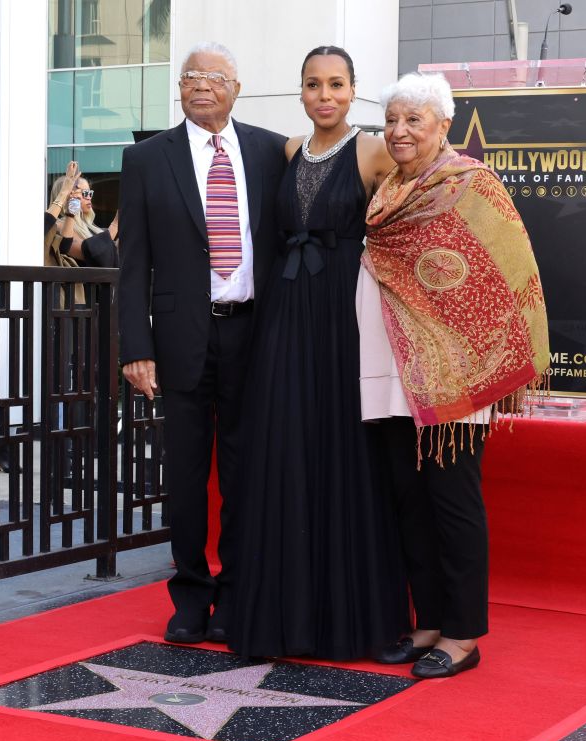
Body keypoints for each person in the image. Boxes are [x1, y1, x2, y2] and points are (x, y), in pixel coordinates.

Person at [360, 72, 549, 679]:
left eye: (414, 119)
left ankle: (464, 635)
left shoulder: (471, 185)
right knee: (409, 502)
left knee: (452, 502)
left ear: (444, 125)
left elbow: (505, 274)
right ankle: (430, 621)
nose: (399, 131)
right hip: (390, 371)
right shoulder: (386, 189)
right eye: (392, 120)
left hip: (455, 378)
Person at [227, 46, 408, 661]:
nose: (324, 95)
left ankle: (357, 621)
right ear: (300, 92)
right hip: (285, 316)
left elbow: (419, 214)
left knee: (346, 455)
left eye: (336, 84)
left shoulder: (374, 149)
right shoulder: (286, 152)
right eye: (312, 85)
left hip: (345, 319)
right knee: (284, 451)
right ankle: (282, 618)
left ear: (354, 90)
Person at [118, 41, 287, 645]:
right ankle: (190, 595)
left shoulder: (272, 150)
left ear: (236, 88)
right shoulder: (145, 159)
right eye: (190, 76)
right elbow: (132, 264)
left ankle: (240, 594)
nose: (200, 85)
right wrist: (135, 347)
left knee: (247, 474)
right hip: (180, 337)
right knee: (186, 476)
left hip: (255, 333)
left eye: (214, 77)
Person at [49, 171, 119, 268]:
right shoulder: (60, 225)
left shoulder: (88, 226)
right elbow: (88, 253)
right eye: (85, 193)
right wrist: (116, 224)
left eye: (90, 193)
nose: (89, 198)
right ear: (67, 196)